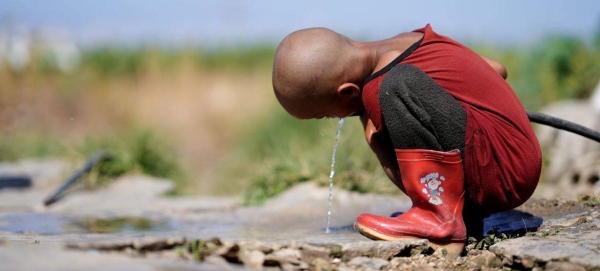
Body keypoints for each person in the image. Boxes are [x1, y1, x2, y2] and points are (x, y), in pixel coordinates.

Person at [271, 24, 542, 255]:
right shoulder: (415, 40)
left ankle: (438, 220)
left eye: (327, 116)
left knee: (397, 85)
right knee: (404, 83)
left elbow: (406, 177)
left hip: (503, 176)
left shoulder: (382, 87)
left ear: (347, 92)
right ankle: (457, 216)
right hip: (519, 157)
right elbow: (498, 69)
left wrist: (377, 144)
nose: (333, 120)